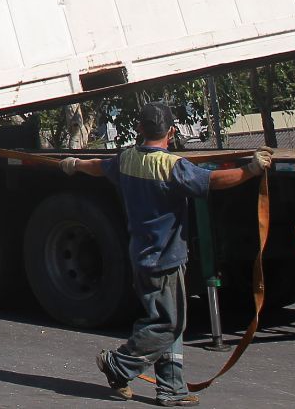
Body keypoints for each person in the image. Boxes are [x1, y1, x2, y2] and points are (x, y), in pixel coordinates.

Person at [61, 102, 272, 406]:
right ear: (171, 131)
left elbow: (97, 165)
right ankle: (118, 364)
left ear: (139, 129)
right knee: (167, 324)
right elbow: (213, 182)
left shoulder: (126, 160)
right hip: (165, 259)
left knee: (171, 322)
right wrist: (251, 170)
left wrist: (75, 165)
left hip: (141, 255)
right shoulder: (171, 167)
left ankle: (171, 389)